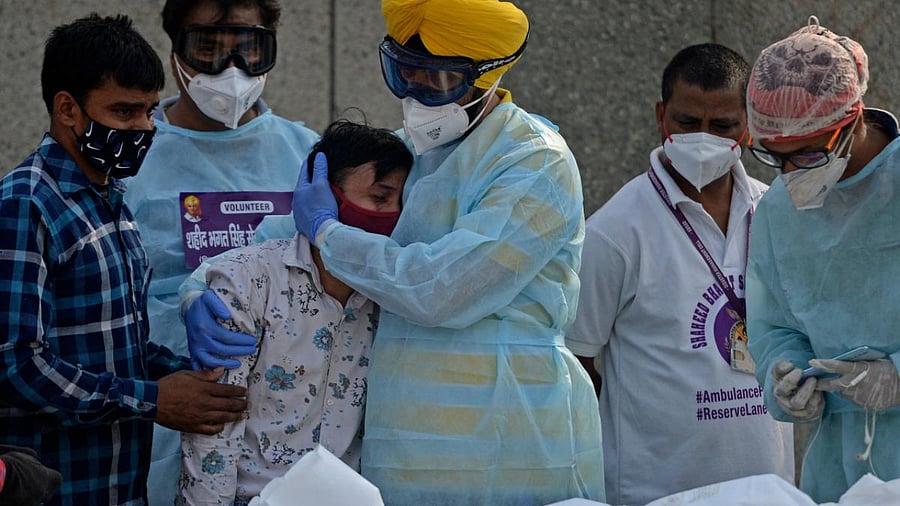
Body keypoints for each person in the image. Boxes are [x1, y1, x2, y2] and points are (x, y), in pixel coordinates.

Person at [187, 0, 605, 504]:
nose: (417, 93)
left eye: (439, 80)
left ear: (488, 77)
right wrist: (201, 291)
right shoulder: (412, 150)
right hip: (400, 441)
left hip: (508, 433)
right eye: (404, 74)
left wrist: (329, 234)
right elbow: (287, 232)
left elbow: (443, 289)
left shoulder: (535, 161)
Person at [0, 14, 249, 506]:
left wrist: (191, 378)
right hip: (54, 488)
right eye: (125, 112)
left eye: (150, 112)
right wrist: (154, 400)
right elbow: (16, 363)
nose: (143, 128)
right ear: (67, 109)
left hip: (121, 487)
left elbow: (121, 348)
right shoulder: (26, 205)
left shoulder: (112, 201)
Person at [565, 43, 795, 506]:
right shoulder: (615, 232)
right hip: (655, 492)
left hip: (769, 488)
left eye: (723, 125)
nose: (703, 138)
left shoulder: (778, 213)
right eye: (688, 123)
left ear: (748, 126)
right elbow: (578, 368)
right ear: (661, 117)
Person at [123, 1, 319, 503]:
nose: (231, 71)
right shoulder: (130, 155)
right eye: (207, 48)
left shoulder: (309, 156)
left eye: (249, 48)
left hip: (291, 419)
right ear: (175, 54)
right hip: (168, 416)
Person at [178, 120, 413, 505]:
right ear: (327, 196)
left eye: (403, 202)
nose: (395, 215)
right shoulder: (248, 282)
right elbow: (214, 430)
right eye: (380, 197)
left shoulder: (395, 297)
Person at [744, 16, 900, 503]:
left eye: (808, 154)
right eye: (774, 156)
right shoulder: (778, 211)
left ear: (852, 123)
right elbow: (774, 324)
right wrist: (785, 376)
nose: (790, 174)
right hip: (837, 464)